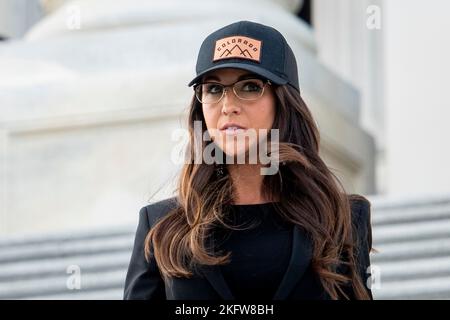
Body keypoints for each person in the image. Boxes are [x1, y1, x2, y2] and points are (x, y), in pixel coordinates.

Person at [124, 20, 373, 300]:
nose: (228, 106)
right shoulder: (160, 227)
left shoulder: (343, 220)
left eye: (250, 86)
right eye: (214, 89)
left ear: (284, 102)